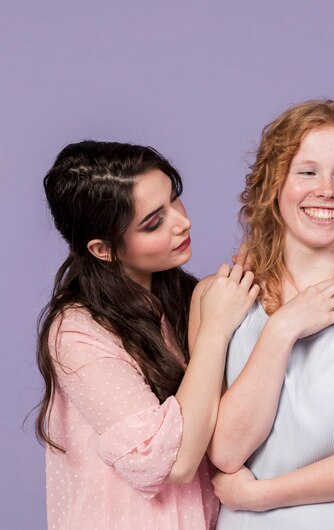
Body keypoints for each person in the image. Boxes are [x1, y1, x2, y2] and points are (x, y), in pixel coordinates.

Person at [189, 100, 334, 529]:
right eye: (307, 171)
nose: (327, 190)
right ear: (272, 184)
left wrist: (262, 495)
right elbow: (226, 451)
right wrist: (283, 328)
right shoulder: (219, 297)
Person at [36, 141, 259, 529]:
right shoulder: (76, 331)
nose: (181, 222)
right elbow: (171, 463)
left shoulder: (180, 299)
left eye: (175, 201)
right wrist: (215, 330)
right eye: (154, 222)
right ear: (103, 249)